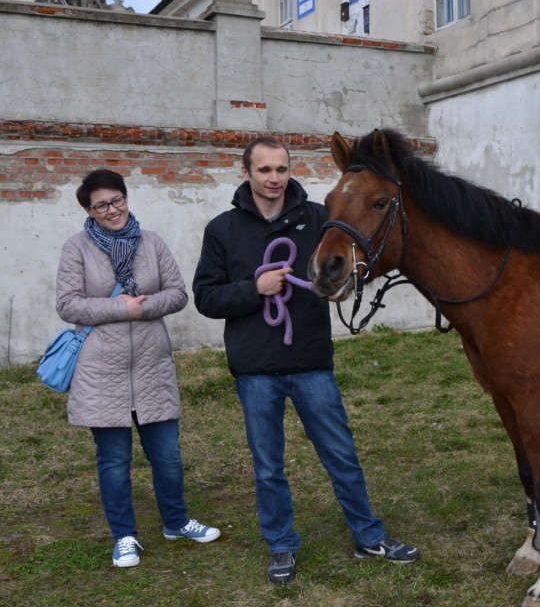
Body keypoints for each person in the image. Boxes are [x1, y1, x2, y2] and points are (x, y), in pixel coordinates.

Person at [192, 136, 419, 586]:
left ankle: (368, 534)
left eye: (281, 169)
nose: (275, 178)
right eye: (265, 170)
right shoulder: (223, 229)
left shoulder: (319, 218)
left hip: (311, 363)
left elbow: (348, 259)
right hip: (256, 369)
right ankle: (281, 545)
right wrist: (253, 291)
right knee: (268, 465)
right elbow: (205, 297)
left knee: (341, 455)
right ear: (247, 173)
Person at [55, 169, 220, 569]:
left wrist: (141, 308)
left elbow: (178, 293)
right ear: (88, 209)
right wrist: (120, 308)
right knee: (113, 460)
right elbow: (68, 304)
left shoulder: (152, 242)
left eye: (117, 200)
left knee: (168, 456)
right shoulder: (76, 248)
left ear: (127, 198)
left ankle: (176, 523)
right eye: (101, 205)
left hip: (150, 366)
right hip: (100, 371)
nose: (112, 210)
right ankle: (124, 536)